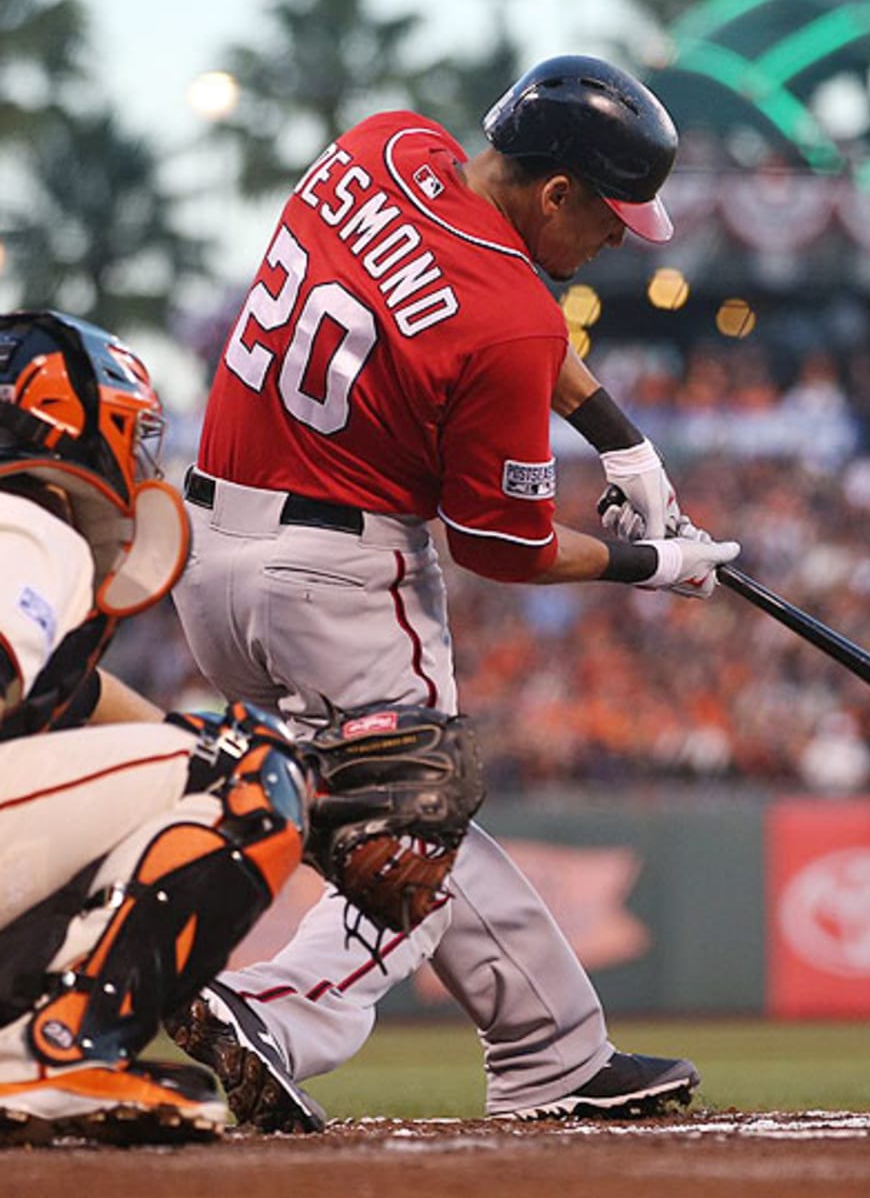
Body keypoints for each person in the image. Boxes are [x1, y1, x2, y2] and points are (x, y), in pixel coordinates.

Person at [166, 54, 739, 1130]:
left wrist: (619, 439)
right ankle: (277, 1013)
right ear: (557, 190)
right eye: (607, 216)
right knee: (413, 828)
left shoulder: (384, 145)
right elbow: (501, 546)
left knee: (413, 818)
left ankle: (552, 1049)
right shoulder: (514, 318)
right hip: (337, 579)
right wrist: (653, 563)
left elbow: (478, 303)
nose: (616, 238)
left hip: (210, 553)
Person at [0, 310, 314, 1145]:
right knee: (245, 769)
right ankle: (50, 1051)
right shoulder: (27, 519)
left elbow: (86, 703)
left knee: (202, 766)